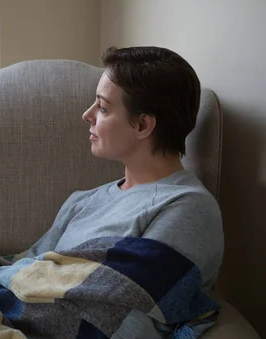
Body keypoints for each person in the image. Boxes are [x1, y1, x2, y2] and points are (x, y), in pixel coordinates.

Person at [25, 46, 224, 290]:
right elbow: (21, 268)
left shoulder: (187, 207)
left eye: (103, 107)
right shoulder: (82, 202)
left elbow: (134, 300)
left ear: (142, 125)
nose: (87, 115)